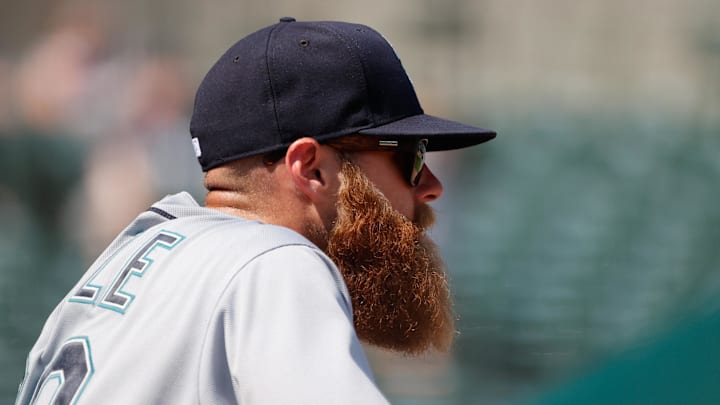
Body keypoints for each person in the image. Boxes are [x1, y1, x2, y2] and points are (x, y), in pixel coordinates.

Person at [15, 17, 496, 404]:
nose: (431, 187)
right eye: (410, 157)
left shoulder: (132, 252)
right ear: (310, 167)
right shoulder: (276, 263)